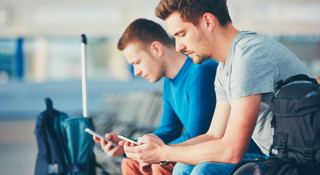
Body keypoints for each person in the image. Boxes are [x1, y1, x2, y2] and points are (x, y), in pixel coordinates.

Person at [120, 0, 310, 174]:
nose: (178, 47)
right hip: (272, 157)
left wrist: (164, 152)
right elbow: (214, 134)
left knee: (205, 170)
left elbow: (233, 150)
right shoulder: (224, 66)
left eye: (182, 34)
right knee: (183, 167)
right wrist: (161, 149)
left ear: (208, 22)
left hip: (294, 161)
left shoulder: (249, 56)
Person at [93, 18, 218, 174]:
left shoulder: (201, 72)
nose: (136, 71)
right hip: (192, 147)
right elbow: (168, 131)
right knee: (129, 163)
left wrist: (155, 153)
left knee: (159, 165)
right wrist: (130, 146)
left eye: (137, 62)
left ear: (156, 49)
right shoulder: (169, 83)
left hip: (212, 150)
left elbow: (196, 135)